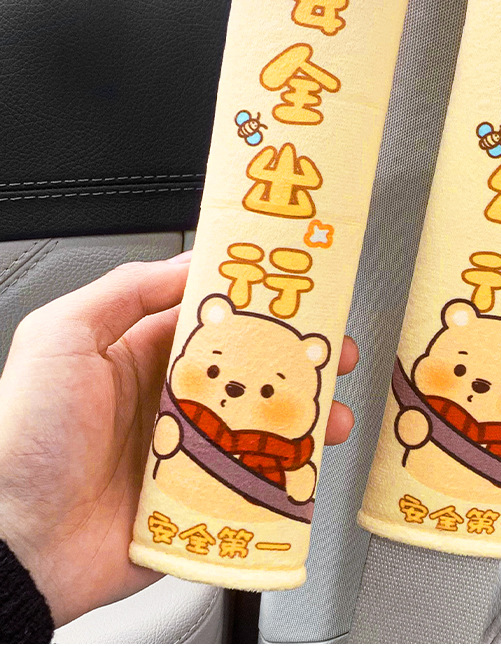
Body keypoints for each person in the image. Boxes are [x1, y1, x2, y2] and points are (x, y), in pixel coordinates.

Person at [0, 253, 358, 643]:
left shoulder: (279, 442)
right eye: (214, 370)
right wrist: (22, 533)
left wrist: (27, 541)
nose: (235, 390)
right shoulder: (186, 416)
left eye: (270, 389)